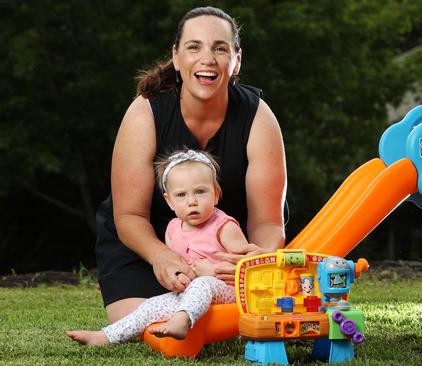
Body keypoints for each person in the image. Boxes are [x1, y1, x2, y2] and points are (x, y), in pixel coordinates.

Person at [94, 6, 286, 326]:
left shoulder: (259, 118)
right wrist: (162, 257)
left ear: (236, 60)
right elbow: (129, 215)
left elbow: (268, 221)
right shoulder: (144, 113)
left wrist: (255, 259)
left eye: (220, 48)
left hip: (223, 252)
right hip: (148, 246)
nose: (207, 58)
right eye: (194, 47)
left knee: (231, 325)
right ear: (176, 56)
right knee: (144, 325)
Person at [68, 149, 262, 345]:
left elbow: (250, 269)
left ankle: (181, 321)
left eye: (200, 192)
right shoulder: (172, 229)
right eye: (181, 195)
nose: (192, 201)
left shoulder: (224, 227)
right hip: (192, 295)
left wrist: (212, 272)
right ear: (169, 201)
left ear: (216, 194)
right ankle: (106, 336)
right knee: (151, 305)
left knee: (204, 284)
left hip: (231, 296)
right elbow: (179, 264)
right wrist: (180, 277)